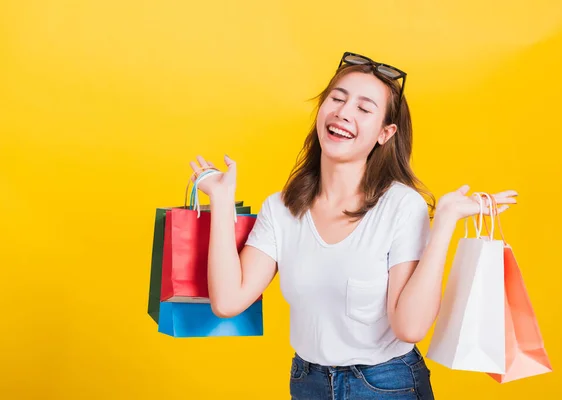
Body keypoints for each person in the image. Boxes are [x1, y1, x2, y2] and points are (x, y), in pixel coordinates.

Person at [189, 52, 517, 400]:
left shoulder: (401, 206)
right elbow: (227, 301)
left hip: (386, 384)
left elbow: (410, 327)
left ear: (385, 133)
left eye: (364, 108)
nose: (343, 113)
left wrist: (445, 222)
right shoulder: (282, 208)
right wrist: (222, 202)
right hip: (307, 381)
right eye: (337, 98)